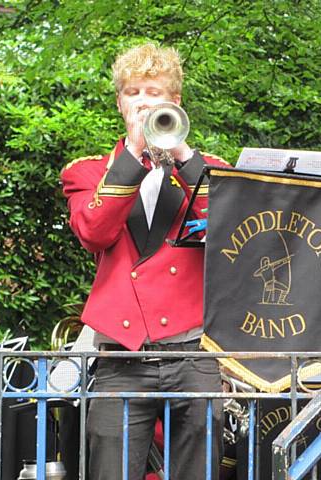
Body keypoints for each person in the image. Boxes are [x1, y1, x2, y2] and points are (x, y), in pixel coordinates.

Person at [60, 42, 226, 479]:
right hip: (122, 355)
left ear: (175, 102)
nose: (145, 101)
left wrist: (185, 157)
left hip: (192, 351)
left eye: (155, 92)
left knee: (200, 469)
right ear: (120, 103)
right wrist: (133, 157)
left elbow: (229, 231)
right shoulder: (90, 173)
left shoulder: (208, 171)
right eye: (134, 92)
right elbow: (94, 232)